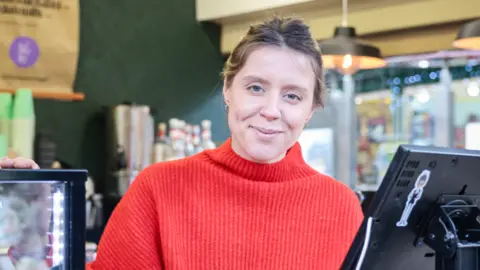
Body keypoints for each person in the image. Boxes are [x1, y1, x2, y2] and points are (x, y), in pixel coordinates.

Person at [1, 16, 364, 269]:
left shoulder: (342, 206)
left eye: (292, 96)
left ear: (312, 108)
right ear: (227, 89)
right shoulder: (160, 188)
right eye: (256, 87)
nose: (271, 110)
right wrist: (29, 230)